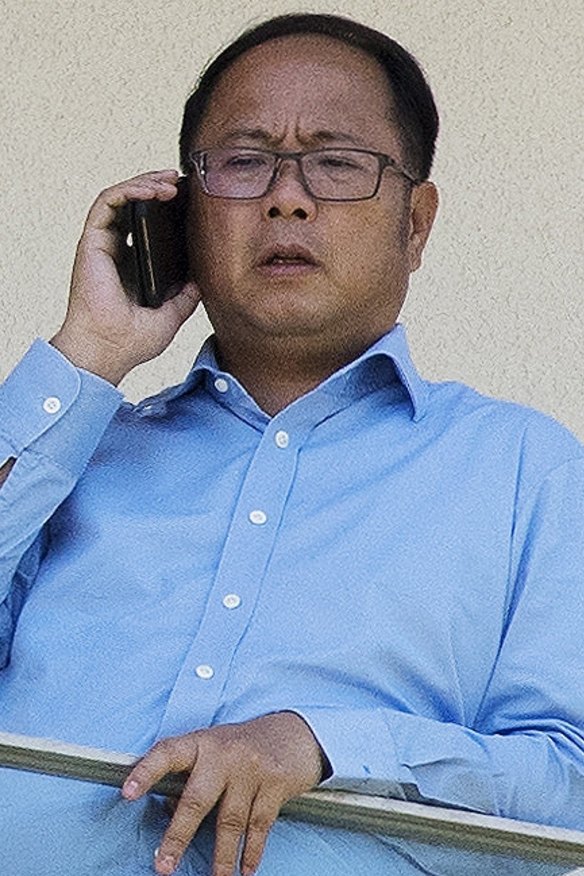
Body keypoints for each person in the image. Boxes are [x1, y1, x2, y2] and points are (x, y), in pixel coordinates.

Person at [1, 11, 584, 876]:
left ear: (416, 224)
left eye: (338, 162)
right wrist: (90, 351)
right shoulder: (74, 450)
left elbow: (570, 782)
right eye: (243, 161)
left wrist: (325, 746)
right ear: (185, 212)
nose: (286, 196)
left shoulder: (528, 470)